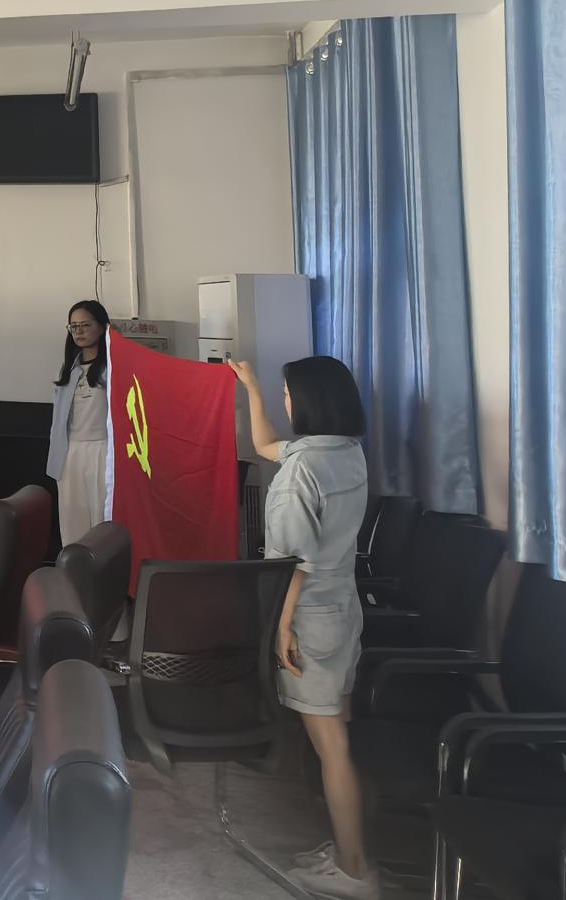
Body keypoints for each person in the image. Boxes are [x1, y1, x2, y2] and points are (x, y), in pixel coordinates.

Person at [233, 354, 375, 899]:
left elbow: (294, 563)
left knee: (330, 745)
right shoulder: (346, 452)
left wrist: (281, 626)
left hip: (311, 615)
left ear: (310, 402)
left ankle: (355, 870)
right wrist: (252, 389)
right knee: (340, 731)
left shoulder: (301, 471)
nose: (285, 402)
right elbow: (267, 443)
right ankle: (344, 848)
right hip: (344, 609)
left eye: (287, 395)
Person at [47, 299, 111, 546]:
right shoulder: (68, 369)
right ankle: (74, 566)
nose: (79, 331)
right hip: (69, 452)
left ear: (102, 327)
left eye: (85, 325)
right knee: (72, 520)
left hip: (102, 450)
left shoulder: (111, 368)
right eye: (74, 326)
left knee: (101, 518)